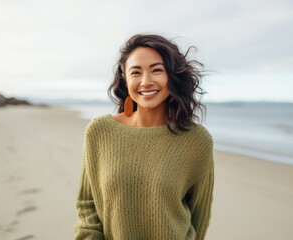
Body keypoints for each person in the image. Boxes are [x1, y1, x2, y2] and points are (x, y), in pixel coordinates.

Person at [74, 34, 214, 240]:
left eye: (157, 70)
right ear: (125, 79)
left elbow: (199, 217)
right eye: (136, 72)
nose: (146, 81)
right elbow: (87, 204)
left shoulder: (196, 140)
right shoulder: (100, 132)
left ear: (172, 76)